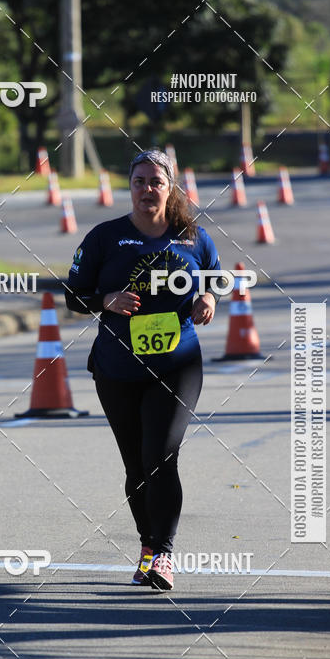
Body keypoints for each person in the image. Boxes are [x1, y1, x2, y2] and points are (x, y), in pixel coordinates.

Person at [64, 148, 222, 591]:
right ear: (129, 187)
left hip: (177, 365)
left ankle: (164, 554)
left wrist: (208, 299)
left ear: (170, 188)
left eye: (156, 182)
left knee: (162, 457)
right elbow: (73, 296)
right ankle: (147, 548)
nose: (147, 189)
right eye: (139, 182)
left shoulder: (193, 237)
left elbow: (214, 276)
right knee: (136, 467)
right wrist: (105, 300)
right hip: (117, 370)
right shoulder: (104, 238)